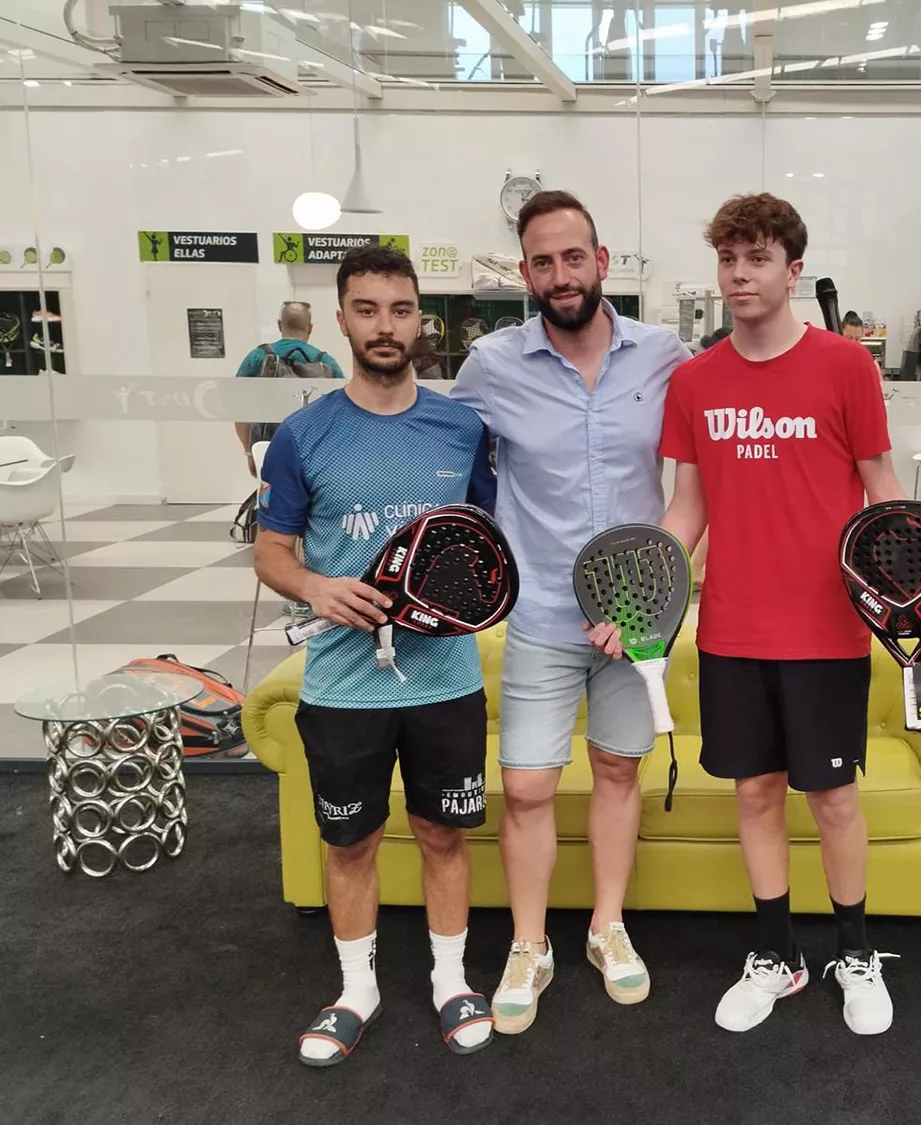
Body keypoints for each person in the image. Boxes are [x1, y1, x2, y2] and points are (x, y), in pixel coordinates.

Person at [594, 193, 921, 1036]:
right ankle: (778, 956)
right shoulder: (695, 381)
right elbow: (687, 509)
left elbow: (883, 491)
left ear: (793, 269)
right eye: (729, 259)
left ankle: (856, 952)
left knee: (833, 797)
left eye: (757, 259)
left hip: (828, 629)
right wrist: (641, 599)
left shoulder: (845, 368)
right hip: (731, 628)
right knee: (756, 793)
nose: (739, 275)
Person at [450, 190, 690, 1034]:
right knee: (524, 787)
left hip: (637, 618)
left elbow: (705, 472)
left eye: (573, 257)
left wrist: (660, 594)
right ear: (525, 273)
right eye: (542, 262)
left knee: (619, 769)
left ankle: (607, 927)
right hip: (545, 612)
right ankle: (529, 944)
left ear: (603, 261)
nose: (560, 274)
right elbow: (441, 454)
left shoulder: (666, 354)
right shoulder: (490, 364)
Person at [254, 245, 497, 1066]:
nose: (385, 326)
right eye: (367, 309)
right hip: (342, 687)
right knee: (351, 843)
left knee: (440, 835)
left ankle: (450, 979)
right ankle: (357, 987)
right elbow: (272, 552)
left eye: (400, 309)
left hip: (445, 679)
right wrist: (319, 588)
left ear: (419, 318)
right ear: (341, 319)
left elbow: (481, 544)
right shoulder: (304, 434)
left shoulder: (463, 430)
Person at [234, 300, 346, 478]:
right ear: (310, 328)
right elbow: (342, 414)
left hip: (268, 448)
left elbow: (238, 408)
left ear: (280, 324)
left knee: (272, 499)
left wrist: (250, 451)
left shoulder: (258, 357)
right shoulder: (327, 363)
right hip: (314, 452)